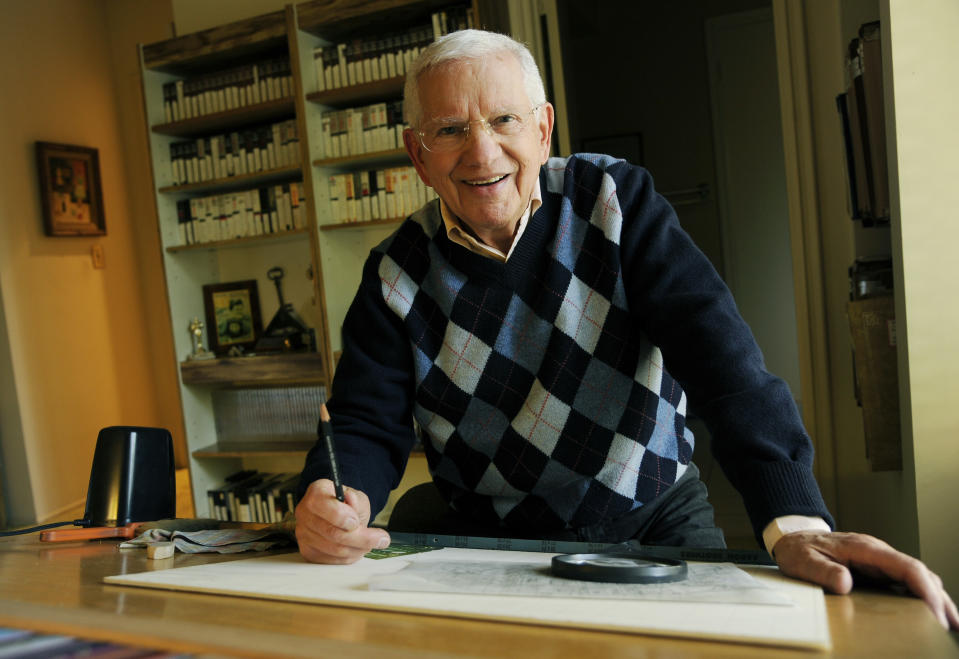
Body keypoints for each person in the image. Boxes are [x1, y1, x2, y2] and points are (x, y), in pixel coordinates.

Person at [295, 29, 958, 630]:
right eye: (448, 130)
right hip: (491, 540)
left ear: (543, 128)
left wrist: (792, 518)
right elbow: (361, 422)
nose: (481, 151)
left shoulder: (614, 202)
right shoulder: (394, 272)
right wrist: (337, 500)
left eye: (503, 120)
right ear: (416, 152)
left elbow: (721, 360)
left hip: (652, 509)